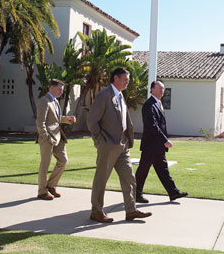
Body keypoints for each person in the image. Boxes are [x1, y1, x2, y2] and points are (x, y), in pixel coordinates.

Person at [87, 68, 152, 223]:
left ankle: (131, 210)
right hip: (107, 145)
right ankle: (96, 211)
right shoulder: (104, 95)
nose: (127, 81)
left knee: (129, 178)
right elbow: (92, 121)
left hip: (123, 145)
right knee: (101, 179)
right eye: (125, 79)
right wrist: (100, 141)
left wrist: (128, 139)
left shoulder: (120, 95)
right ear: (115, 78)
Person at [135, 80, 188, 203]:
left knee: (163, 170)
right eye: (160, 88)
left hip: (157, 147)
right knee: (143, 170)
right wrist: (165, 140)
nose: (162, 91)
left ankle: (173, 192)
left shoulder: (158, 103)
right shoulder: (149, 105)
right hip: (150, 146)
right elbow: (152, 125)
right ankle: (136, 194)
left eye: (163, 89)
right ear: (152, 89)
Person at [36, 79, 76, 200]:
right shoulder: (44, 101)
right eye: (59, 89)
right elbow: (40, 122)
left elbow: (56, 119)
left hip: (58, 136)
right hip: (47, 138)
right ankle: (42, 191)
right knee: (45, 164)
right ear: (51, 88)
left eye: (62, 90)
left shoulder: (55, 102)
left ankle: (51, 185)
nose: (61, 92)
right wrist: (45, 136)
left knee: (63, 160)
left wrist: (67, 119)